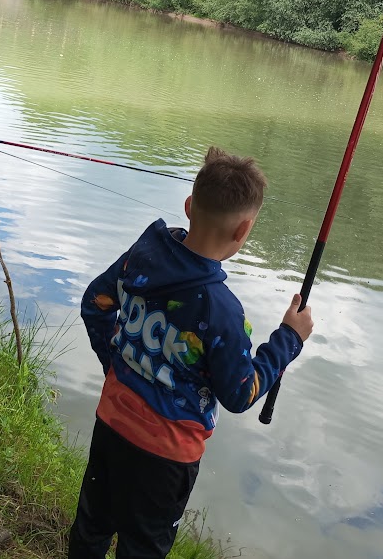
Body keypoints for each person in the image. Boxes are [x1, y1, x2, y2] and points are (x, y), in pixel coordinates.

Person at [68, 147, 315, 558]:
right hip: (166, 458)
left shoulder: (142, 255)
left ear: (188, 206)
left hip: (112, 422)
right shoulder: (222, 312)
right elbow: (240, 393)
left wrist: (117, 366)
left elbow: (96, 302)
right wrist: (289, 339)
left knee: (92, 525)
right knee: (143, 548)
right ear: (243, 231)